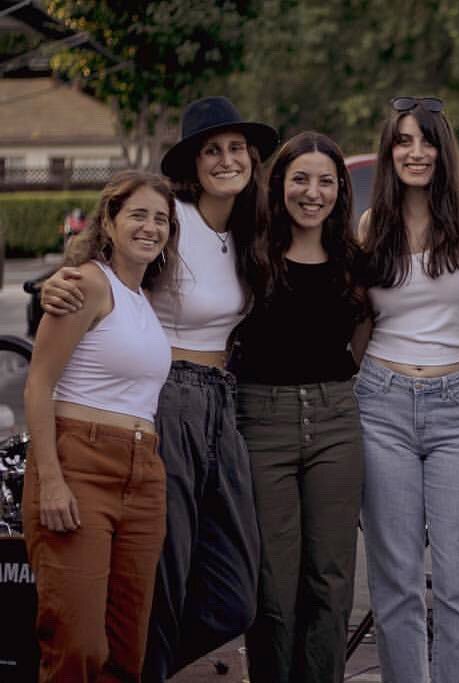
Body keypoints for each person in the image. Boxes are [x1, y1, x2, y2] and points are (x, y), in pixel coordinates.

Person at [39, 96, 279, 681]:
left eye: (236, 149)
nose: (227, 160)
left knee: (234, 595)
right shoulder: (172, 217)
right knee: (161, 580)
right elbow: (100, 256)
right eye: (212, 151)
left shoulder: (250, 229)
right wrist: (57, 285)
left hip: (221, 402)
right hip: (164, 398)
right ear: (192, 165)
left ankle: (139, 663)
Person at [355, 95, 459, 683]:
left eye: (426, 140)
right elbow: (362, 321)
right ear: (389, 149)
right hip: (382, 403)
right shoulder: (374, 225)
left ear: (445, 149)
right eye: (403, 141)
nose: (415, 152)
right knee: (393, 579)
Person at [22, 171, 179, 681]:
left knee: (125, 649)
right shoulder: (85, 284)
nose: (150, 227)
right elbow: (39, 385)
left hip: (143, 475)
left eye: (161, 219)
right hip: (80, 466)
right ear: (108, 222)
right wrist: (50, 480)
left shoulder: (146, 301)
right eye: (138, 214)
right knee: (78, 646)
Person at [232, 131, 368, 683]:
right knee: (273, 583)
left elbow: (364, 328)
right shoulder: (249, 251)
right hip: (261, 422)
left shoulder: (352, 259)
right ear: (279, 185)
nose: (313, 193)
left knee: (331, 580)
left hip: (336, 420)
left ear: (340, 189)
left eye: (326, 181)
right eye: (301, 179)